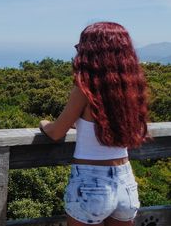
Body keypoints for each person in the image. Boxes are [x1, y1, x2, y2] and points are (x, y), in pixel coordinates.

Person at [39, 22, 149, 226]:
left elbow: (56, 132)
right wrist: (80, 125)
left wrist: (44, 123)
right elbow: (103, 122)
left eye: (80, 46)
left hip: (90, 182)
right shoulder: (129, 88)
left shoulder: (85, 87)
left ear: (92, 51)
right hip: (125, 181)